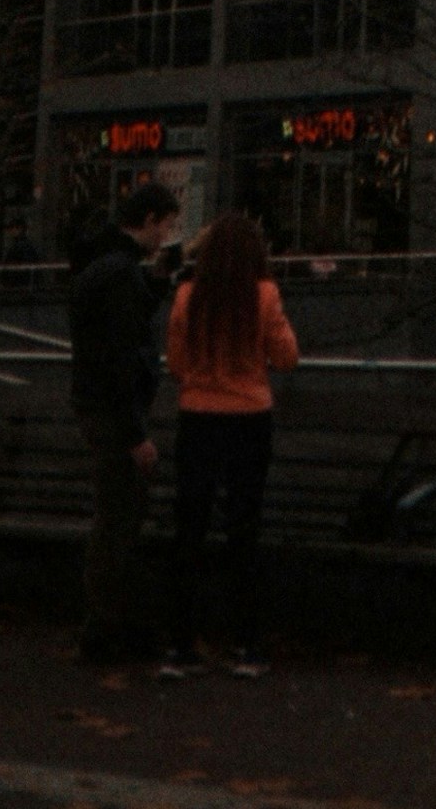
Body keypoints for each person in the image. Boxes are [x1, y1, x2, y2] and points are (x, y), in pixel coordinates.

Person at [161, 213, 299, 678]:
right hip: (248, 419)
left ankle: (179, 646)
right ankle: (246, 644)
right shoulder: (264, 295)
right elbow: (286, 357)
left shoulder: (186, 297)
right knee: (244, 528)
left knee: (190, 529)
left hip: (197, 418)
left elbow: (177, 365)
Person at [68, 180, 182, 662]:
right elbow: (119, 354)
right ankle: (108, 628)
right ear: (151, 220)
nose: (168, 236)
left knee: (115, 516)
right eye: (168, 226)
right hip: (115, 415)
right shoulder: (118, 274)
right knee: (119, 519)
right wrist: (136, 433)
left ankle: (109, 624)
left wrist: (154, 282)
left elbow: (116, 329)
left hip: (98, 407)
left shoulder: (104, 265)